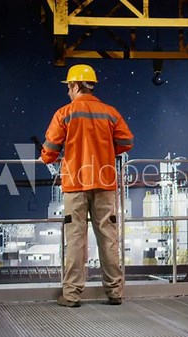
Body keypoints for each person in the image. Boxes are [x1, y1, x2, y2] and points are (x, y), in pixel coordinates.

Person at [40, 64, 134, 307]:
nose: (67, 92)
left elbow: (50, 151)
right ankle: (115, 292)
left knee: (75, 239)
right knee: (108, 237)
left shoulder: (65, 113)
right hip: (104, 182)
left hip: (75, 184)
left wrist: (47, 157)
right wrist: (105, 150)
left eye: (68, 87)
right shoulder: (110, 113)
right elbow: (126, 141)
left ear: (74, 85)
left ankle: (71, 295)